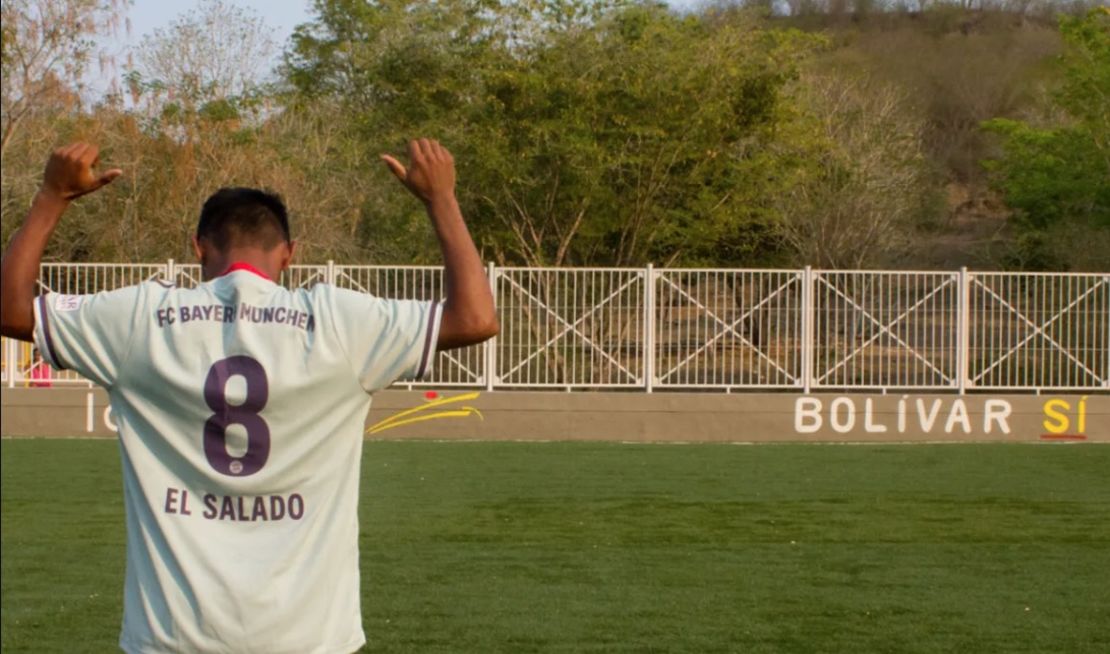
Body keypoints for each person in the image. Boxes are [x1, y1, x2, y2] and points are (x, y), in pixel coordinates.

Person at [0, 140, 497, 653]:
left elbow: (11, 311)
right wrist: (440, 199)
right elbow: (477, 319)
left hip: (171, 638)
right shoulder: (339, 322)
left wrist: (51, 196)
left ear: (198, 247)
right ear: (289, 254)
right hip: (309, 639)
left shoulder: (140, 319)